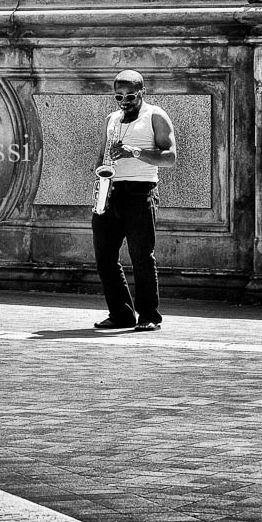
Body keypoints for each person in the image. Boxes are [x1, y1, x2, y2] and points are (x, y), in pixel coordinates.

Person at [91, 70, 176, 332]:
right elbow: (101, 156)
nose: (124, 101)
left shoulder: (155, 115)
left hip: (141, 192)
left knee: (141, 256)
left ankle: (149, 315)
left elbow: (170, 156)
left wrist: (134, 151)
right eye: (119, 96)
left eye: (130, 96)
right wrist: (99, 188)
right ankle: (120, 314)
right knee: (105, 257)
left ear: (142, 92)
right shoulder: (112, 119)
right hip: (111, 190)